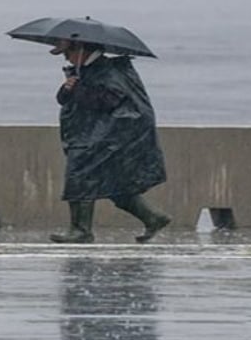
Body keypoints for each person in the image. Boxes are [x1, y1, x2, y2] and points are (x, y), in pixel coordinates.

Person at [49, 38, 171, 244]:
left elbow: (108, 101)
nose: (66, 57)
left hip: (105, 137)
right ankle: (154, 218)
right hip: (87, 134)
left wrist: (78, 90)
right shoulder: (83, 71)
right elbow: (63, 100)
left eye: (67, 52)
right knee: (115, 184)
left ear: (81, 50)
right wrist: (68, 88)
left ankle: (80, 230)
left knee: (79, 177)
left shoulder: (109, 72)